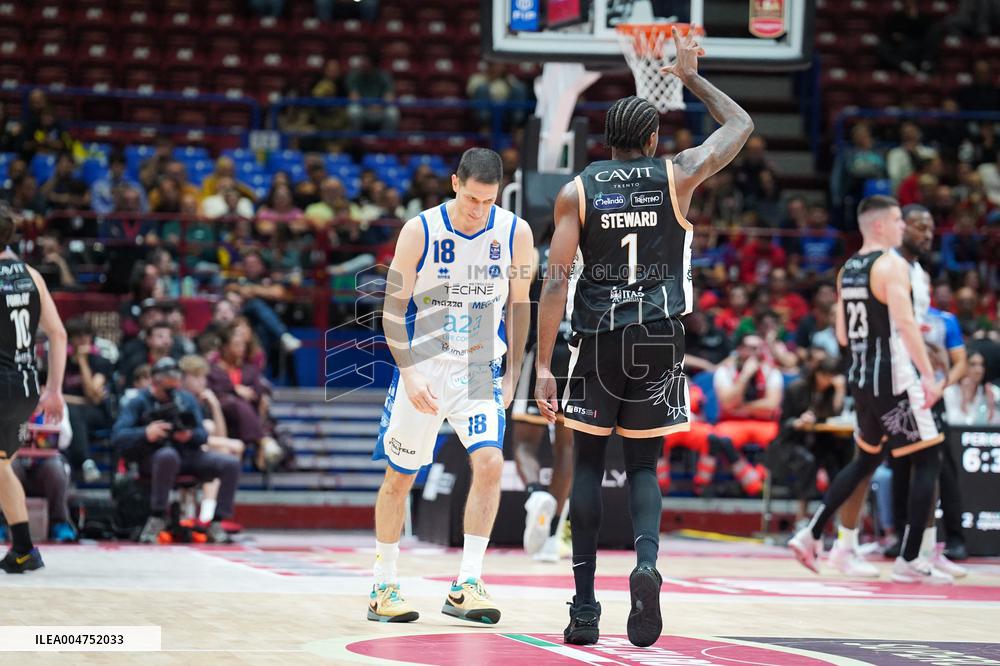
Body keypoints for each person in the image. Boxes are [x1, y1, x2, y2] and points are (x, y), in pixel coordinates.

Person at [534, 27, 753, 648]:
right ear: (653, 139)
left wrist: (547, 364)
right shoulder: (678, 172)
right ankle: (648, 563)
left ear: (605, 140)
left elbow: (554, 284)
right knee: (644, 466)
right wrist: (688, 77)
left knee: (584, 466)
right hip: (657, 335)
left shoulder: (578, 190)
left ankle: (582, 608)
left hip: (597, 337)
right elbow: (739, 126)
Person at [370, 148, 533, 624]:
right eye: (472, 199)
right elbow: (393, 311)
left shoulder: (515, 232)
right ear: (454, 183)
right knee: (399, 479)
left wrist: (514, 375)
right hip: (424, 359)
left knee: (490, 463)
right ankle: (384, 585)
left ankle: (467, 582)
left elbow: (519, 306)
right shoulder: (419, 228)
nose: (478, 209)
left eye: (489, 201)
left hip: (482, 362)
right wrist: (409, 371)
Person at [787, 195, 950, 584]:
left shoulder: (849, 268)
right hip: (892, 379)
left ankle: (810, 534)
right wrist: (928, 375)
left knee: (865, 460)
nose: (901, 227)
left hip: (860, 378)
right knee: (929, 457)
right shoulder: (891, 265)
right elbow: (907, 327)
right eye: (897, 220)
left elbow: (843, 333)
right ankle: (910, 558)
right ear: (879, 225)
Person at [0, 208, 67, 572]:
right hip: (25, 385)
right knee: (0, 466)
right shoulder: (31, 276)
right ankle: (24, 549)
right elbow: (58, 333)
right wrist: (54, 390)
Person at [111, 357, 240, 544]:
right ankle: (156, 517)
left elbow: (202, 435)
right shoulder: (138, 401)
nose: (172, 392)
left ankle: (217, 522)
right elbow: (118, 436)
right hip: (153, 456)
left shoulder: (186, 399)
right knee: (167, 456)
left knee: (230, 463)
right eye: (167, 389)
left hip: (187, 454)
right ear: (155, 382)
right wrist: (145, 433)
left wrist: (189, 436)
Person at [510, 237, 574, 562]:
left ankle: (536, 495)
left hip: (544, 353)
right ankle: (550, 538)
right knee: (566, 447)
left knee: (523, 442)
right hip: (580, 354)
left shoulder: (534, 255)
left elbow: (517, 303)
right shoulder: (594, 252)